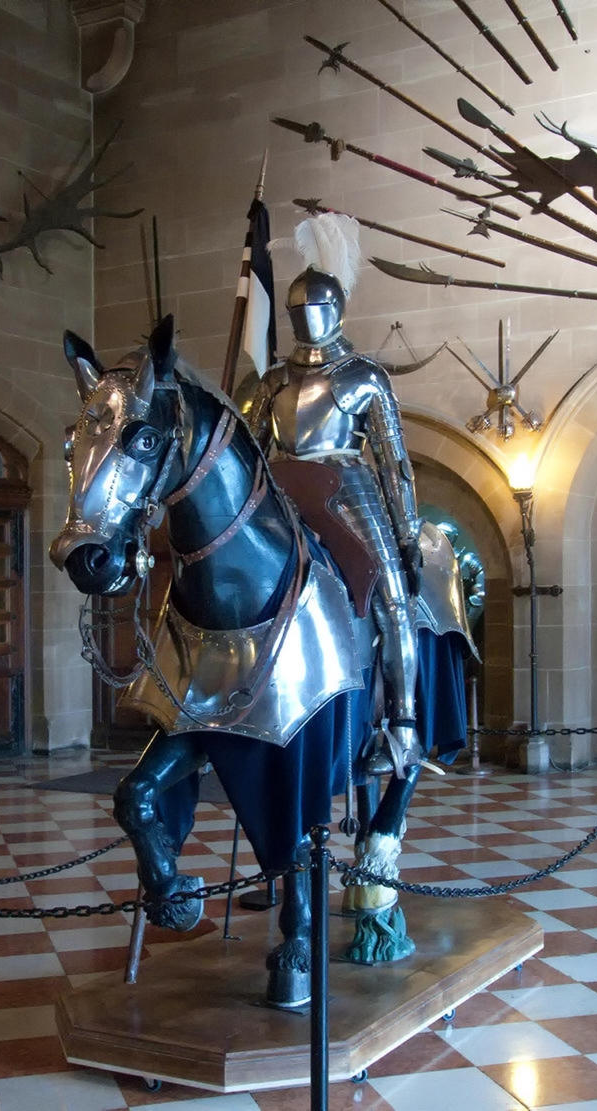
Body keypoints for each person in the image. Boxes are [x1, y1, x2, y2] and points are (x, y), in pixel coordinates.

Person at [246, 262, 423, 778]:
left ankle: (402, 728)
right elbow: (250, 452)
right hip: (279, 489)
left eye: (316, 308)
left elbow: (393, 462)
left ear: (337, 310)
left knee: (391, 596)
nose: (307, 318)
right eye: (297, 311)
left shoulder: (363, 375)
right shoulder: (272, 381)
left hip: (347, 488)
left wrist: (407, 532)